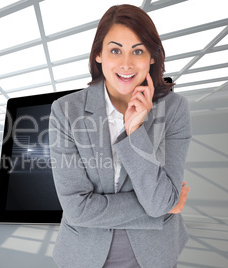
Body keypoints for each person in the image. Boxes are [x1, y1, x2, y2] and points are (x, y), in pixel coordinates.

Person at [49, 4, 191, 268]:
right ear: (99, 55)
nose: (126, 63)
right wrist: (164, 207)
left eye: (137, 51)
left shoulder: (175, 109)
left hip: (155, 252)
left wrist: (135, 132)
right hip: (84, 253)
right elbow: (77, 209)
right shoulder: (65, 111)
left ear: (151, 56)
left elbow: (162, 200)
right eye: (115, 50)